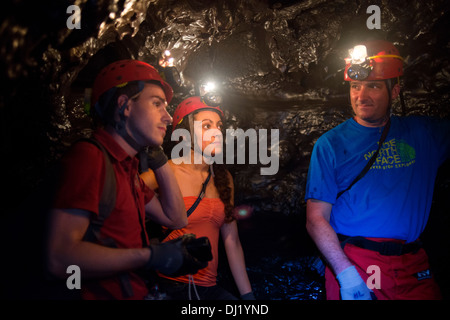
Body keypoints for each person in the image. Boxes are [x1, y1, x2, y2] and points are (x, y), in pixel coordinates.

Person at [46, 60, 211, 300]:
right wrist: (151, 256)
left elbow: (176, 218)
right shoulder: (90, 158)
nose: (167, 118)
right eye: (157, 104)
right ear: (124, 106)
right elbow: (58, 259)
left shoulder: (125, 169)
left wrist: (159, 158)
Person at [305, 40, 450, 300]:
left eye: (372, 86)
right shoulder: (331, 144)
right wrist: (346, 276)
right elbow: (316, 218)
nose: (361, 96)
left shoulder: (424, 133)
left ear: (395, 91)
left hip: (413, 264)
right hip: (357, 261)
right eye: (355, 86)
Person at [141, 96, 255, 300]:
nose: (217, 132)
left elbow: (232, 242)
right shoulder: (167, 172)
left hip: (207, 288)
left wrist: (248, 298)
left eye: (219, 126)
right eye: (207, 126)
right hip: (170, 285)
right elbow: (123, 194)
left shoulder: (223, 178)